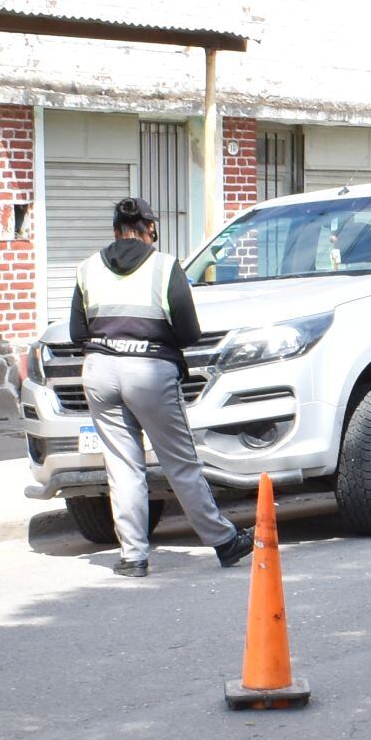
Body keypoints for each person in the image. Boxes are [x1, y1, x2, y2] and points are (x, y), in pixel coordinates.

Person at [70, 198, 250, 578]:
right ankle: (223, 541)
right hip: (150, 371)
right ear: (150, 227)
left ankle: (133, 557)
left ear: (115, 229)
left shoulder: (88, 269)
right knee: (180, 463)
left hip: (100, 371)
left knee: (122, 467)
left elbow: (76, 333)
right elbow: (189, 332)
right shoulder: (164, 266)